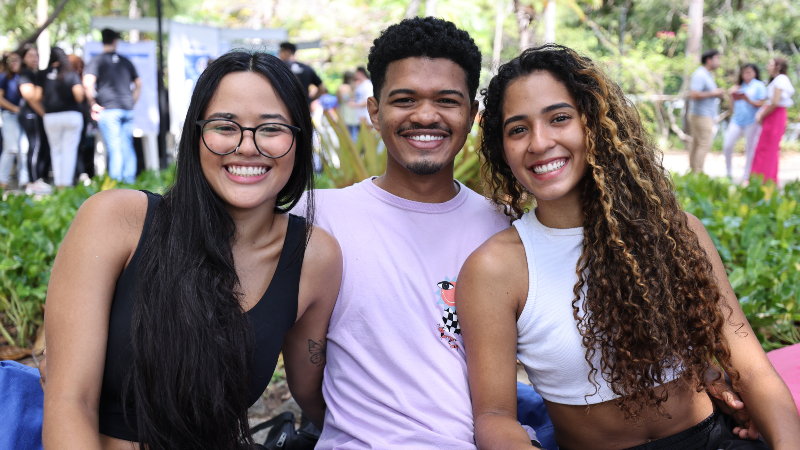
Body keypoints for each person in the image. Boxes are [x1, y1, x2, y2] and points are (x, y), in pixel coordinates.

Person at [459, 44, 800, 450]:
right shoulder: (494, 268)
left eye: (559, 118)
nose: (539, 141)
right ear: (502, 148)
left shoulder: (675, 231)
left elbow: (752, 370)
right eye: (518, 129)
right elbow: (495, 416)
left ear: (593, 124)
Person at [40, 51, 342, 450]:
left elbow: (318, 396)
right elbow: (69, 403)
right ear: (195, 135)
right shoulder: (116, 220)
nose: (247, 146)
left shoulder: (313, 256)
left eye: (271, 128)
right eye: (224, 126)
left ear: (299, 141)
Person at [84, 28, 142, 184]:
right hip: (127, 109)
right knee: (127, 146)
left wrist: (92, 104)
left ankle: (116, 185)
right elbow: (138, 83)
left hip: (109, 110)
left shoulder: (97, 60)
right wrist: (132, 102)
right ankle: (130, 183)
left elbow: (87, 82)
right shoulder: (125, 61)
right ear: (115, 41)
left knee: (114, 148)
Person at [34, 46, 84, 189]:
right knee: (69, 150)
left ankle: (58, 184)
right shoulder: (70, 72)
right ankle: (66, 184)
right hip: (71, 115)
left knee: (56, 150)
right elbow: (79, 96)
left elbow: (36, 96)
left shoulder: (43, 73)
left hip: (51, 117)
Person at [751, 58, 795, 183]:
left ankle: (765, 179)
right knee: (766, 147)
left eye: (770, 64)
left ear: (778, 66)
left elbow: (775, 102)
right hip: (772, 115)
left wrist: (762, 115)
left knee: (768, 148)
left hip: (775, 116)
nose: (767, 67)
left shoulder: (781, 79)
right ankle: (766, 178)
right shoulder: (777, 80)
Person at [18, 45, 52, 195]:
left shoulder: (35, 74)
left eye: (36, 55)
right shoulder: (25, 74)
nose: (34, 58)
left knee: (41, 146)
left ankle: (39, 179)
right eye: (30, 55)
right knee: (35, 146)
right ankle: (34, 181)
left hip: (37, 115)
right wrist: (44, 114)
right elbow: (30, 97)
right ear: (24, 58)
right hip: (30, 114)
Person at [723, 64, 766, 180]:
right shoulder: (738, 86)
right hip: (737, 120)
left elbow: (762, 103)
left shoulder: (759, 85)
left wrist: (747, 99)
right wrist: (731, 95)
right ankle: (728, 173)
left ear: (755, 73)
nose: (747, 75)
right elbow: (732, 108)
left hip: (752, 121)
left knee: (750, 149)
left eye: (750, 72)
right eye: (745, 72)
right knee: (727, 145)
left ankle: (746, 176)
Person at [688, 49, 725, 173]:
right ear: (709, 60)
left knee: (697, 143)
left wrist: (716, 93)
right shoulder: (700, 74)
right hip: (701, 115)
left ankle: (693, 172)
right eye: (717, 59)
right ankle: (698, 173)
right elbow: (693, 94)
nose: (718, 62)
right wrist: (713, 93)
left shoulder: (706, 74)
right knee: (704, 144)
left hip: (703, 114)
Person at [0, 51, 30, 190]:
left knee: (24, 149)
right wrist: (15, 109)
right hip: (9, 115)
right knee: (11, 148)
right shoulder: (4, 77)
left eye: (16, 60)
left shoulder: (23, 76)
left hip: (23, 117)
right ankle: (2, 181)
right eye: (10, 61)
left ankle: (24, 181)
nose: (13, 63)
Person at [69, 54, 96, 181]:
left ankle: (83, 173)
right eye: (77, 65)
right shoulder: (70, 79)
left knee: (82, 146)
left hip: (84, 119)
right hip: (72, 119)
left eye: (81, 65)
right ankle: (80, 174)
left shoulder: (82, 80)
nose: (79, 68)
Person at [336, 71, 359, 142]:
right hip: (354, 113)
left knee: (344, 135)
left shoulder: (341, 87)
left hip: (344, 113)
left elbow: (338, 101)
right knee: (354, 135)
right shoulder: (354, 87)